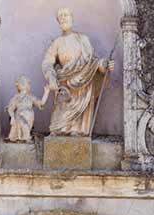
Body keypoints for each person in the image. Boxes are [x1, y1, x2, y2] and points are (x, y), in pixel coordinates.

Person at [40, 8, 112, 137]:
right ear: (58, 21)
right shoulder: (57, 42)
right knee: (57, 127)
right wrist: (51, 76)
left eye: (65, 15)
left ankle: (78, 130)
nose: (63, 18)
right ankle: (61, 129)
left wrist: (103, 65)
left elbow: (92, 62)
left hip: (83, 84)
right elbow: (47, 63)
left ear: (72, 18)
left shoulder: (82, 39)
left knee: (77, 132)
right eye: (60, 16)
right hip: (65, 85)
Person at [6, 75, 38, 143]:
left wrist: (46, 93)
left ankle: (25, 137)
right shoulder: (16, 97)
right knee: (23, 124)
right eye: (22, 83)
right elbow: (10, 108)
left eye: (26, 83)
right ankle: (23, 138)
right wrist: (12, 117)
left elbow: (40, 104)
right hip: (20, 115)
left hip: (29, 116)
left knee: (26, 127)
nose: (25, 85)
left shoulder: (31, 97)